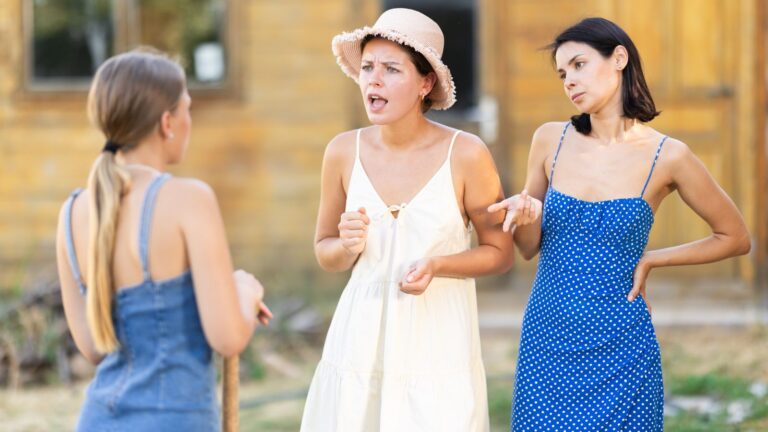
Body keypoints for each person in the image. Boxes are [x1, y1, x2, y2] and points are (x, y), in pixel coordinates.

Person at [489, 17, 751, 431]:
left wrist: (653, 260)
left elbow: (735, 237)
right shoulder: (549, 139)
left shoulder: (669, 155)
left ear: (619, 59)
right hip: (548, 335)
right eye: (562, 73)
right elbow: (527, 247)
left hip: (622, 341)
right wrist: (523, 218)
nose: (569, 81)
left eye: (579, 65)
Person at [300, 8, 514, 432]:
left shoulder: (467, 153)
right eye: (366, 67)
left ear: (425, 83)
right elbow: (326, 252)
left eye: (391, 69)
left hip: (438, 345)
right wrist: (345, 246)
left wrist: (439, 265)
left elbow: (500, 253)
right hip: (359, 342)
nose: (373, 80)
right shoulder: (343, 152)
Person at [55, 48, 272, 431]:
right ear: (168, 122)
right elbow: (227, 337)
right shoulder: (188, 199)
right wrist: (245, 291)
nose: (191, 120)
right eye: (188, 108)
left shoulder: (73, 211)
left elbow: (93, 348)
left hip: (98, 420)